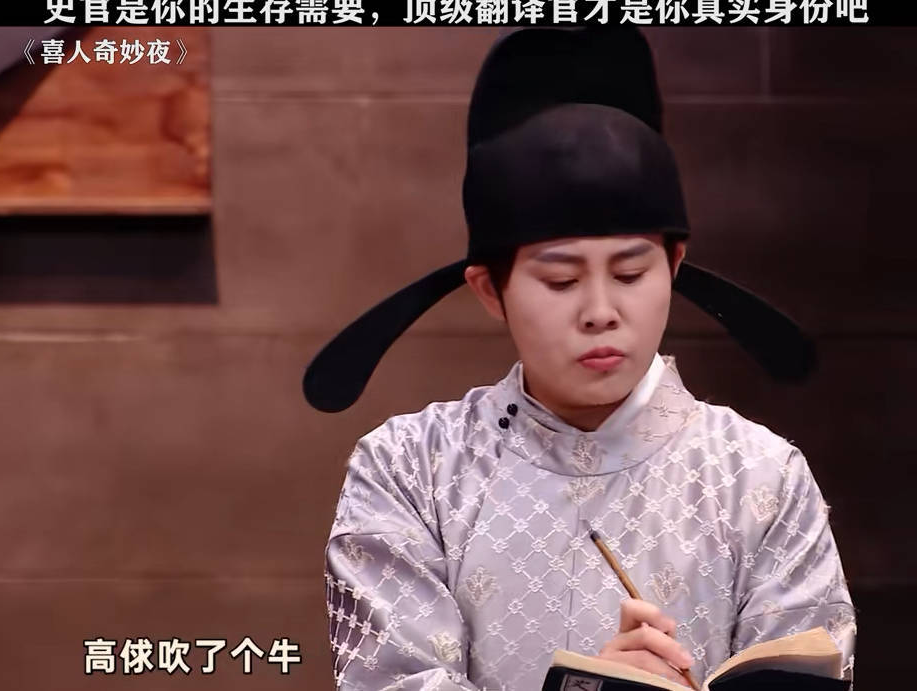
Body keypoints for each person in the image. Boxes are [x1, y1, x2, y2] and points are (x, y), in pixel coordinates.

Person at [305, 27, 856, 691]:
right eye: (561, 280)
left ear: (674, 266)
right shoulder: (408, 469)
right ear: (490, 289)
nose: (600, 310)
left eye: (630, 273)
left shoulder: (761, 476)